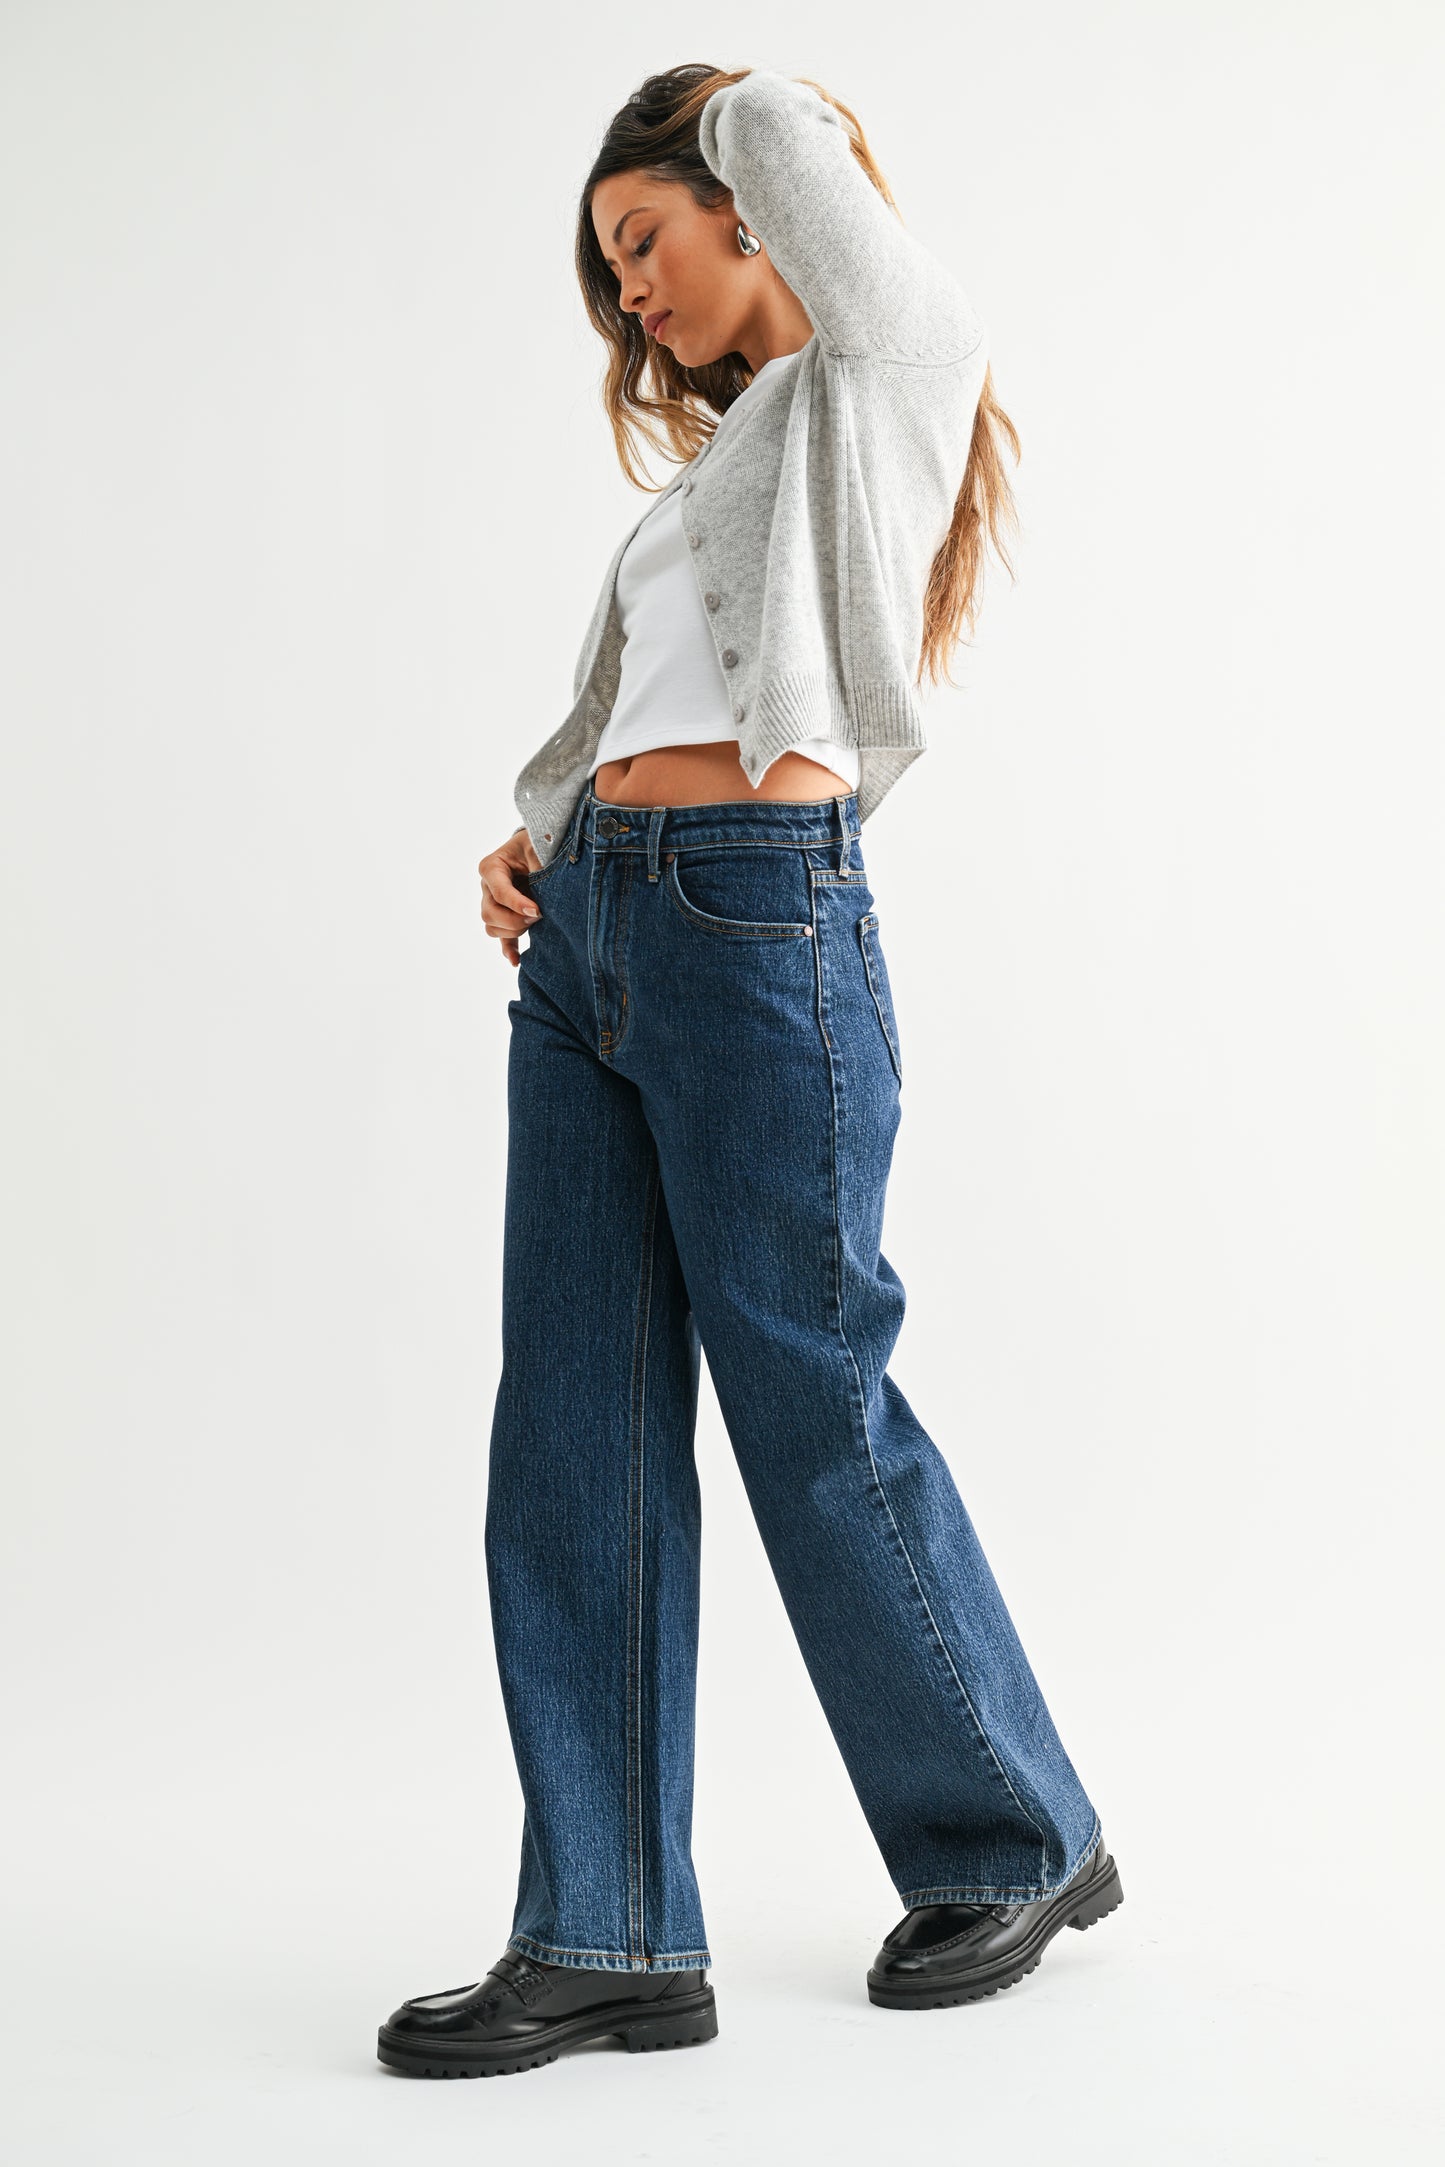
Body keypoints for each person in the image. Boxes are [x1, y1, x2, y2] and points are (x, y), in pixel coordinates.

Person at [377, 60, 1122, 2083]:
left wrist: (716, 107)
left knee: (809, 1395)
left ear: (738, 204)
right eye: (611, 271)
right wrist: (540, 831)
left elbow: (809, 169)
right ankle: (607, 1930)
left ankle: (1013, 1834)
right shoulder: (708, 483)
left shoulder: (873, 387)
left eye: (645, 240)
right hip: (607, 933)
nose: (632, 297)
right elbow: (621, 705)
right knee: (576, 1435)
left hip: (757, 924)